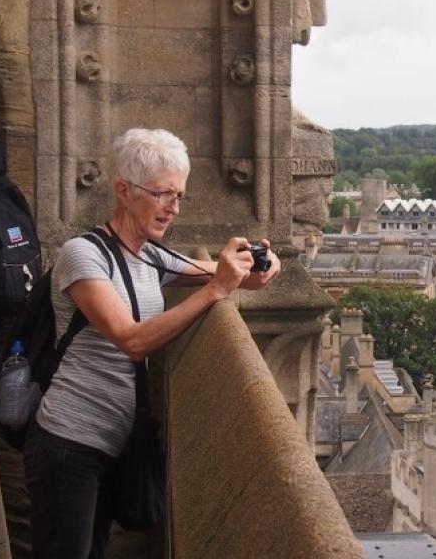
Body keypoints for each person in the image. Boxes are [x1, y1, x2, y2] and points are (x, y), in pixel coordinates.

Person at [23, 128, 282, 559]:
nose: (173, 209)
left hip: (113, 441)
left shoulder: (151, 255)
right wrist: (216, 290)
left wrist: (258, 262)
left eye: (179, 196)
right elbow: (131, 340)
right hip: (69, 442)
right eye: (163, 195)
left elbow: (236, 278)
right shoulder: (81, 254)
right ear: (124, 191)